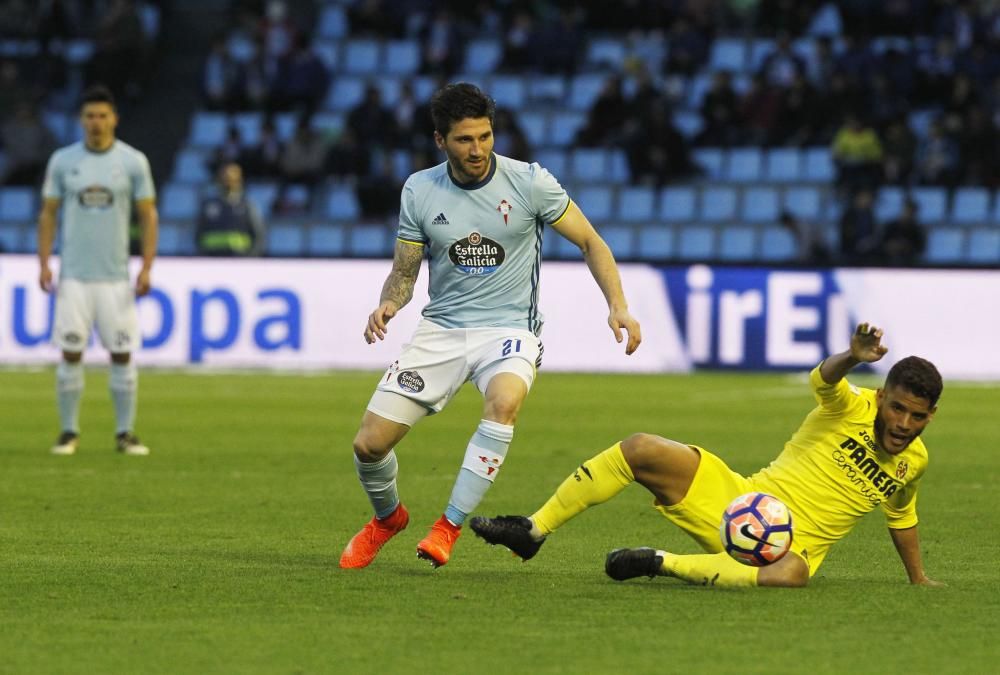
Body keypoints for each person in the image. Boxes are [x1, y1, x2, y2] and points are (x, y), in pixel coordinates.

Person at [340, 83, 642, 570]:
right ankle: (387, 518)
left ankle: (448, 527)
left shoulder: (530, 183)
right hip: (441, 329)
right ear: (441, 141)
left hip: (509, 330)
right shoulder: (419, 189)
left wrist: (618, 306)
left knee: (503, 404)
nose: (478, 149)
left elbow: (590, 241)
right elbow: (404, 271)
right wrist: (388, 305)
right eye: (464, 140)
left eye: (485, 136)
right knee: (368, 445)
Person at [471, 323, 944, 589]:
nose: (903, 424)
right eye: (898, 408)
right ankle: (532, 530)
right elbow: (823, 380)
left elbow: (902, 517)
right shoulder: (852, 405)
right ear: (882, 398)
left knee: (792, 575)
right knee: (640, 448)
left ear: (930, 416)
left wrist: (918, 579)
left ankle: (658, 562)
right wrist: (851, 355)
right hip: (741, 501)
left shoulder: (913, 463)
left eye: (917, 416)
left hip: (788, 549)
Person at [37, 84, 158, 457]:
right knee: (70, 353)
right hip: (73, 274)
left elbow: (148, 215)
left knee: (121, 354)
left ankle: (125, 433)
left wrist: (147, 266)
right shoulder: (63, 161)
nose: (96, 122)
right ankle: (69, 431)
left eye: (103, 115)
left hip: (115, 277)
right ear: (81, 120)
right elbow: (49, 213)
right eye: (90, 116)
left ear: (114, 119)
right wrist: (44, 261)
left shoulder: (133, 162)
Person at [195, 161, 265, 256]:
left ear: (239, 181)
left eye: (232, 179)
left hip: (239, 260)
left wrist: (249, 260)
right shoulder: (208, 206)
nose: (228, 182)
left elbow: (258, 236)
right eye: (225, 178)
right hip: (212, 261)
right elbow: (198, 236)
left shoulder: (247, 206)